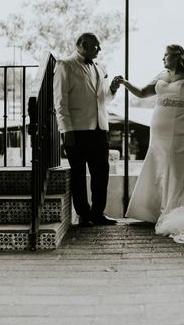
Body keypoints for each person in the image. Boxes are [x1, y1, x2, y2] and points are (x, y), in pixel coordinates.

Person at [117, 44, 184, 246]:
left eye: (166, 55)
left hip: (181, 128)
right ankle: (152, 211)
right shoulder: (161, 74)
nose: (162, 59)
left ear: (177, 56)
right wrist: (124, 82)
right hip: (158, 129)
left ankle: (172, 209)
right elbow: (141, 93)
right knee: (158, 166)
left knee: (175, 168)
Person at [53, 33, 121, 226]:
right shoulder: (65, 65)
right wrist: (66, 130)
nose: (99, 50)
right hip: (76, 130)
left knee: (102, 172)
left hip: (100, 129)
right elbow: (60, 101)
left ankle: (98, 213)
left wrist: (113, 89)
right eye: (95, 46)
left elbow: (103, 99)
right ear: (82, 45)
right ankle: (83, 214)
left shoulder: (100, 67)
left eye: (99, 46)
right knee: (78, 174)